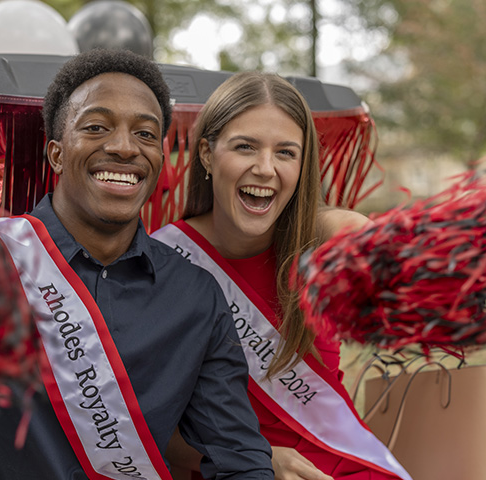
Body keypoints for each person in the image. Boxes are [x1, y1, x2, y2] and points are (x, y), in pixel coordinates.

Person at [0, 50, 274, 480]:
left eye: (145, 133)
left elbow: (238, 458)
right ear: (57, 154)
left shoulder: (195, 298)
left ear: (160, 159)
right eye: (97, 127)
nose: (124, 148)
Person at [152, 72, 411, 480]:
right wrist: (257, 456)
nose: (265, 168)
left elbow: (363, 239)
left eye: (286, 153)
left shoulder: (319, 241)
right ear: (206, 153)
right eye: (245, 147)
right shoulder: (160, 264)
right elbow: (144, 427)